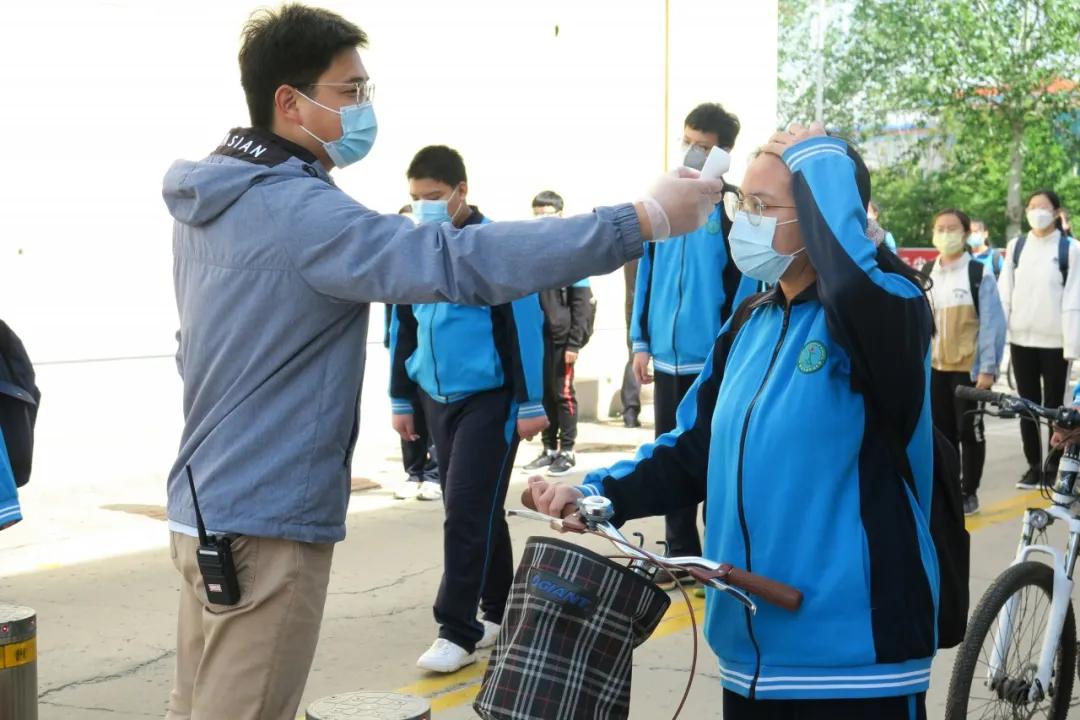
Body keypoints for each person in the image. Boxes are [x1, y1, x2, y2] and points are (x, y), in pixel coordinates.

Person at [161, 4, 724, 718]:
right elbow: (456, 261)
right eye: (349, 91)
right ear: (288, 101)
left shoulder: (215, 198)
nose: (363, 107)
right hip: (265, 526)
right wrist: (640, 220)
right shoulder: (297, 211)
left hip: (204, 507)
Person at [531, 122, 937, 719]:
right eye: (741, 202)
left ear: (822, 217)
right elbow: (694, 446)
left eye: (762, 206)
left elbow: (856, 287)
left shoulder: (890, 310)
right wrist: (596, 493)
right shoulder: (750, 319)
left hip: (856, 659)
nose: (744, 220)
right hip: (750, 658)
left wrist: (820, 159)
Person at [388, 145, 547, 673]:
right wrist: (401, 397)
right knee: (477, 511)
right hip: (435, 398)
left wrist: (530, 401)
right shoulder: (415, 247)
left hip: (490, 400)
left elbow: (525, 328)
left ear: (461, 191)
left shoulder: (493, 246)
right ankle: (499, 609)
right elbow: (402, 326)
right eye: (416, 198)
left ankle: (456, 629)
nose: (424, 207)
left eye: (434, 196)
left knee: (465, 512)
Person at [630, 102, 756, 586]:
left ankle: (717, 558)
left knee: (715, 458)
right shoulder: (662, 200)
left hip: (712, 361)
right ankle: (680, 554)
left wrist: (731, 352)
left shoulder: (734, 209)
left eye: (703, 146)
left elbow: (743, 288)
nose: (691, 151)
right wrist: (640, 341)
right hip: (666, 358)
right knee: (670, 454)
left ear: (724, 153)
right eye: (687, 140)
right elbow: (646, 275)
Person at [924, 209, 1006, 515]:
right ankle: (949, 488)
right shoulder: (928, 272)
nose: (946, 234)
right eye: (940, 228)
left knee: (969, 431)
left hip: (968, 370)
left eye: (952, 228)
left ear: (966, 233)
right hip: (936, 368)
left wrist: (987, 368)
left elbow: (992, 325)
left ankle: (969, 491)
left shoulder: (977, 273)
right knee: (941, 433)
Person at [999, 188, 1080, 489]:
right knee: (1026, 405)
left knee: (1055, 407)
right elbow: (1005, 293)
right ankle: (1033, 465)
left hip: (1055, 343)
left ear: (1056, 213)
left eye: (1043, 207)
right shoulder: (1017, 246)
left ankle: (1053, 465)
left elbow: (1074, 297)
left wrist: (1072, 346)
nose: (1037, 212)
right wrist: (1002, 337)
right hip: (1021, 340)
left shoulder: (1070, 249)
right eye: (1032, 206)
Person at [521, 191, 596, 477]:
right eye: (537, 215)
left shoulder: (572, 254)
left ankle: (567, 451)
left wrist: (574, 343)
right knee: (544, 395)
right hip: (538, 339)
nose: (542, 221)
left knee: (562, 394)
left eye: (548, 215)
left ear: (561, 215)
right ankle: (549, 448)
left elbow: (582, 304)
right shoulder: (531, 253)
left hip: (563, 340)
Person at [385, 206, 440, 501]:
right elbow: (399, 323)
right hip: (410, 357)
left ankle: (435, 474)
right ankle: (414, 471)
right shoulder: (400, 267)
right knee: (409, 417)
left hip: (438, 362)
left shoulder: (437, 262)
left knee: (435, 422)